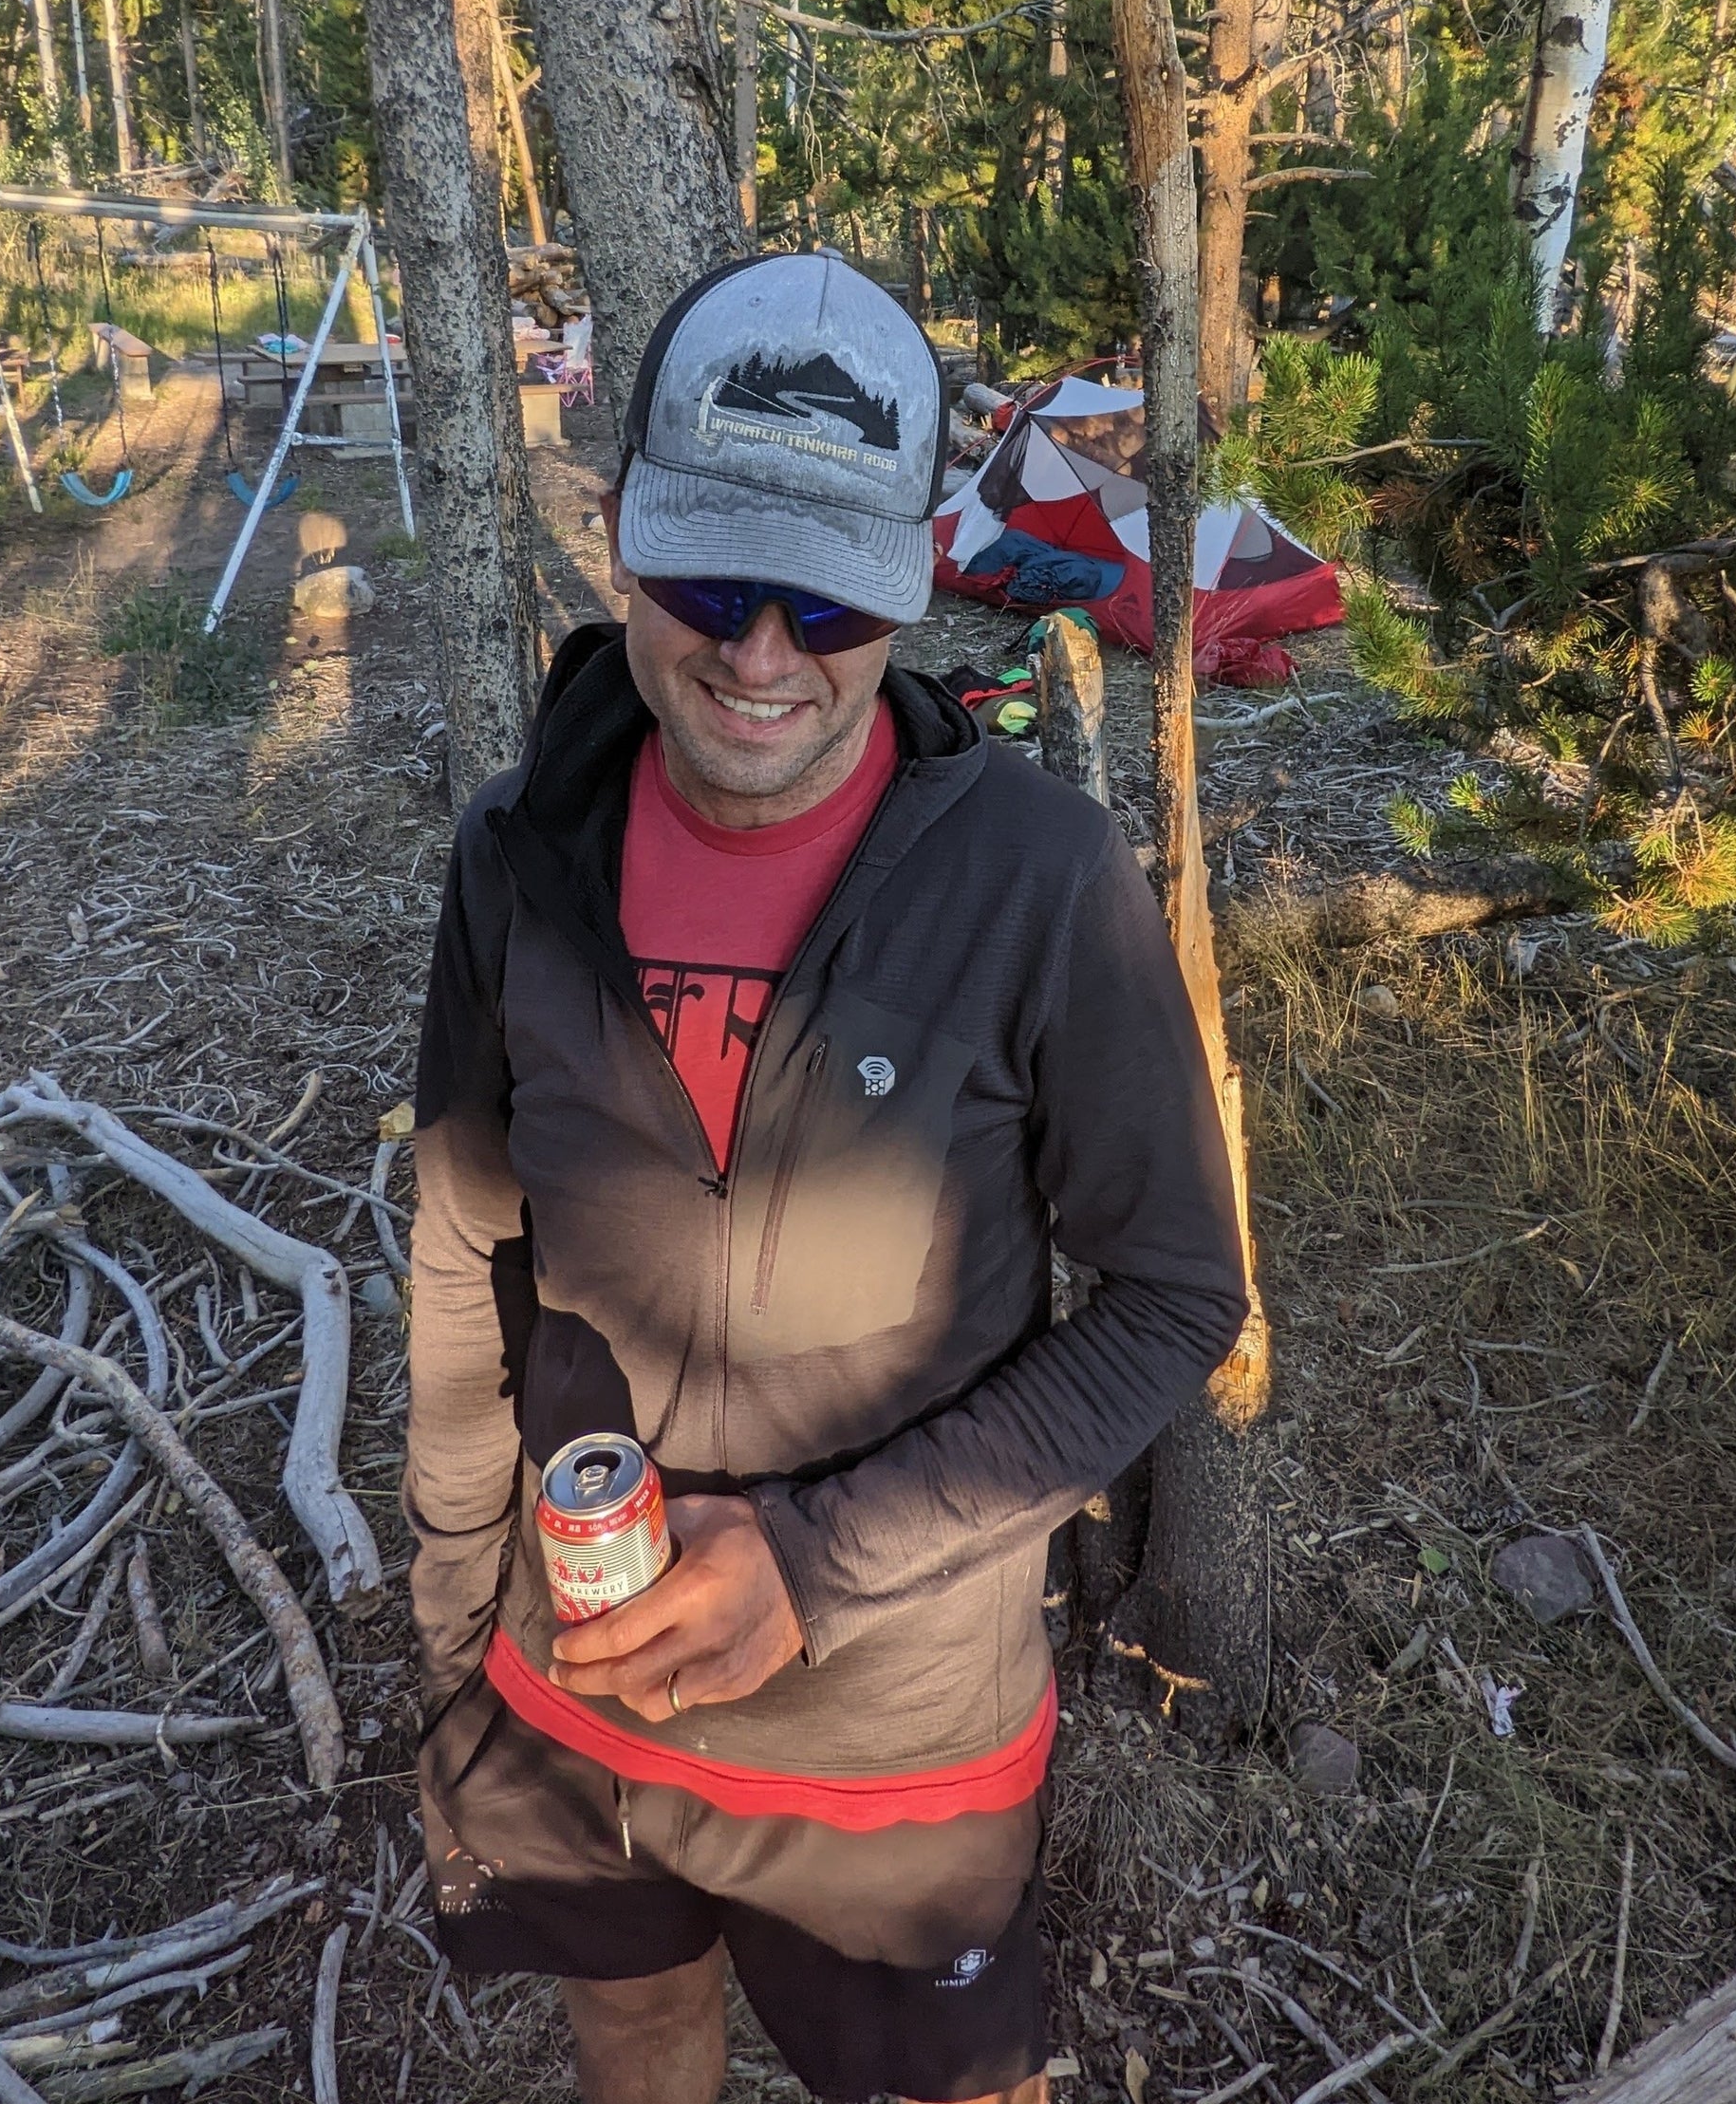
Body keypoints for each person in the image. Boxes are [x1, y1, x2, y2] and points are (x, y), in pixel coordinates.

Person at [406, 251, 1248, 2104]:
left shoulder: (1038, 883)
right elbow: (471, 1228)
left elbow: (1180, 1296)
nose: (762, 655)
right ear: (620, 533)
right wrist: (457, 1589)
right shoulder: (516, 852)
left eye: (830, 597)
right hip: (575, 1679)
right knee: (634, 2038)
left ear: (918, 569)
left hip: (894, 1751)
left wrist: (818, 1564)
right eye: (710, 580)